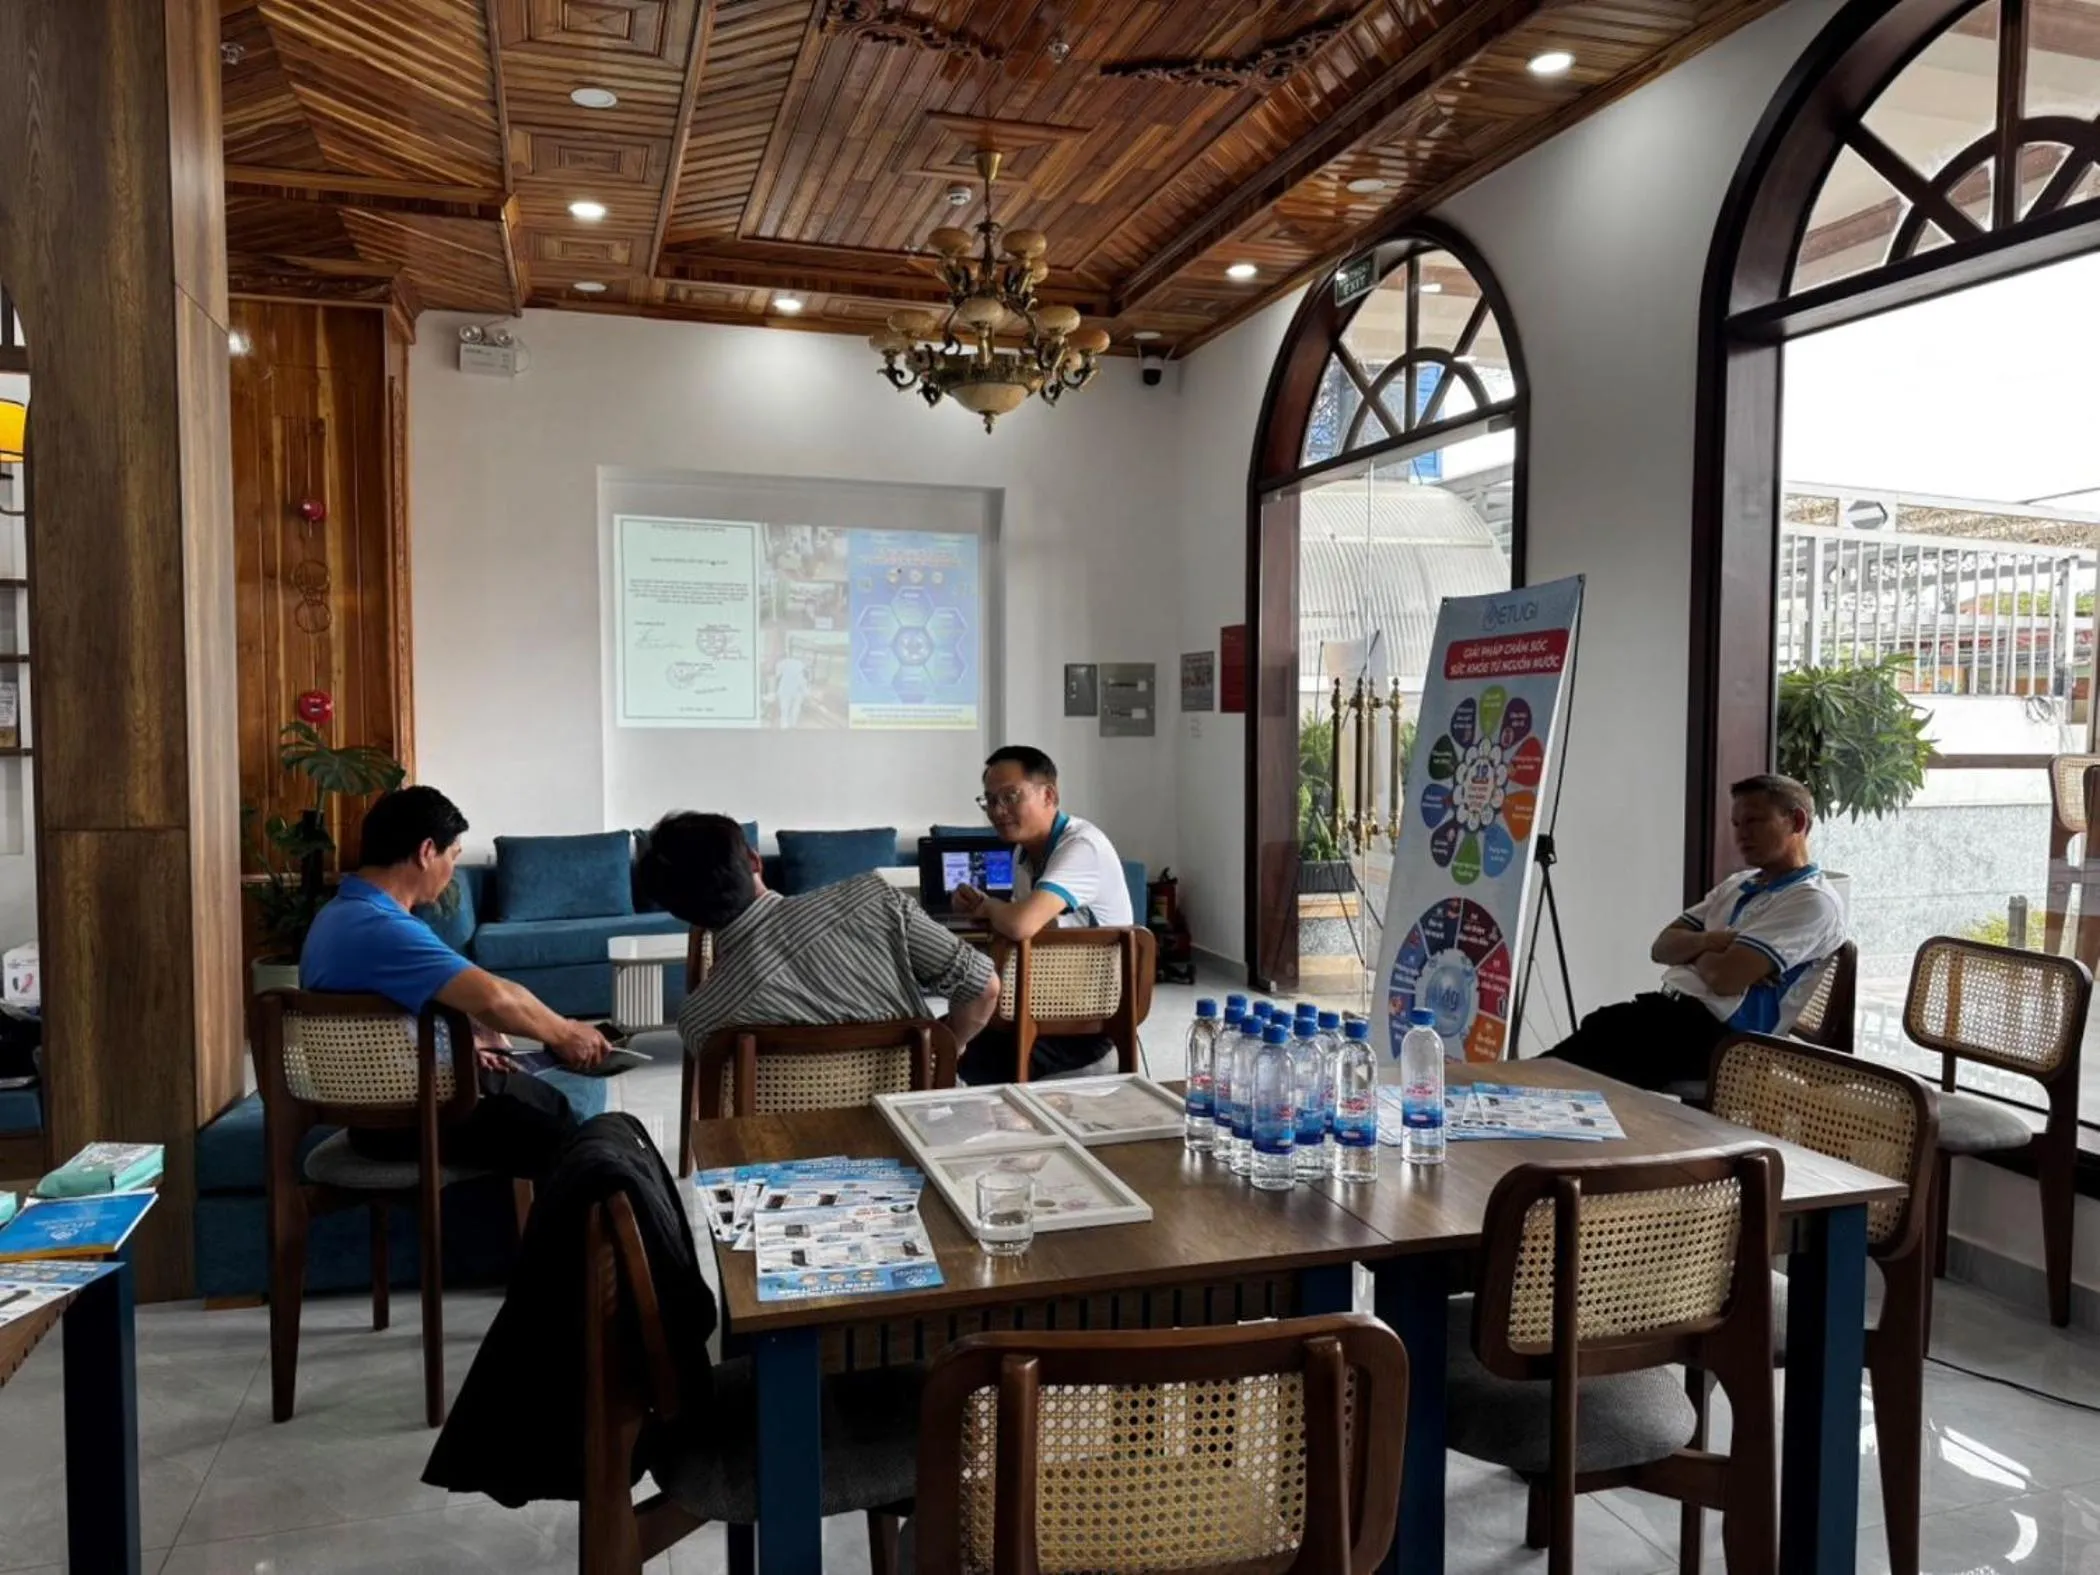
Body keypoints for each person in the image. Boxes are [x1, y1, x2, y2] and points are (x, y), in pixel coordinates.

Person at [300, 786, 610, 1180]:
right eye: (453, 857)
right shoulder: (383, 927)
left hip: (377, 1115)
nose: (451, 874)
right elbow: (496, 999)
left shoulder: (338, 916)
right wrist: (566, 1032)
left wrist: (463, 1048)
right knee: (559, 1120)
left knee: (530, 1101)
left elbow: (386, 1025)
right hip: (412, 1122)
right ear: (427, 852)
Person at [1543, 773, 1846, 1092]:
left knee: (1564, 1074)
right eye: (1736, 824)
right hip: (1670, 1015)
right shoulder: (1739, 884)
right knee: (1592, 1038)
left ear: (1797, 821)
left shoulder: (1811, 901)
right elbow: (1661, 947)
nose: (1742, 835)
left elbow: (1724, 977)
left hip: (1719, 1041)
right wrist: (1714, 943)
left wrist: (1694, 953)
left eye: (1754, 821)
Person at [639, 811, 1001, 1064]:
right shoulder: (874, 899)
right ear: (754, 861)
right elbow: (983, 985)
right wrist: (949, 1045)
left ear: (679, 912)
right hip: (914, 1135)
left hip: (791, 1163)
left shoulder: (701, 1021)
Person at [951, 745, 1135, 1084]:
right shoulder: (1024, 852)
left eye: (1010, 797)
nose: (997, 810)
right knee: (948, 1034)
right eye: (989, 800)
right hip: (1039, 1004)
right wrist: (986, 906)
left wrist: (990, 907)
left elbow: (1021, 924)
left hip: (1080, 1027)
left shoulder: (1082, 847)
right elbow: (1022, 928)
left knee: (954, 1060)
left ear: (1049, 795)